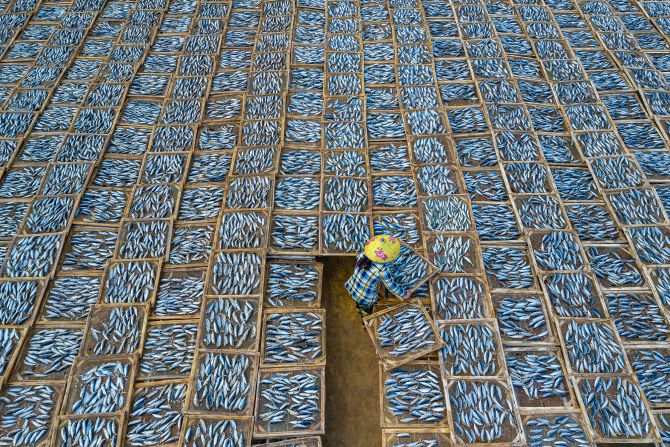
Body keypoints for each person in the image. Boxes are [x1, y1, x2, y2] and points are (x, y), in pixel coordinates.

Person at [345, 234, 410, 319]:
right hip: (365, 297)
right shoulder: (382, 269)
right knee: (365, 310)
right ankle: (364, 321)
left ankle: (358, 307)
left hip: (352, 285)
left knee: (357, 301)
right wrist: (404, 294)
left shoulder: (363, 254)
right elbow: (391, 286)